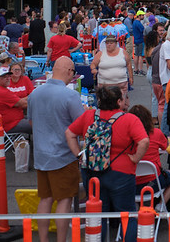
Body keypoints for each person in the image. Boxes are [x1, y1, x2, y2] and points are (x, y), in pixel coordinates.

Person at [65, 86, 149, 242]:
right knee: (127, 215)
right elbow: (144, 141)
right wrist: (136, 158)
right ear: (118, 101)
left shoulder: (89, 116)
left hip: (91, 170)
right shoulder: (129, 119)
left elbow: (69, 133)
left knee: (98, 215)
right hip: (121, 173)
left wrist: (79, 155)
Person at [28, 56, 85, 242]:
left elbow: (31, 121)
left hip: (41, 155)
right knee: (64, 200)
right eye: (73, 73)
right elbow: (81, 126)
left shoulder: (35, 94)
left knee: (45, 199)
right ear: (69, 72)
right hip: (63, 156)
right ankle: (61, 240)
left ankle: (43, 239)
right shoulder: (71, 95)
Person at [128, 104, 170, 208]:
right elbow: (166, 146)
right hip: (154, 183)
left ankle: (135, 205)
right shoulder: (156, 133)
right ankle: (161, 205)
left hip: (131, 184)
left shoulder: (127, 137)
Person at [0, 65, 32, 134]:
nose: (8, 78)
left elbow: (19, 101)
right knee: (39, 124)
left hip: (11, 121)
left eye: (9, 76)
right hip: (11, 125)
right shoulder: (2, 92)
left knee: (35, 119)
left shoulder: (0, 89)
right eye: (4, 77)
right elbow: (24, 104)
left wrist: (30, 97)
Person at [91, 34, 133, 104]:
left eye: (111, 43)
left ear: (116, 44)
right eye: (107, 43)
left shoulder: (122, 52)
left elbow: (129, 64)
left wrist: (131, 77)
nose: (109, 45)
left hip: (121, 84)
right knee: (105, 104)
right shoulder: (100, 53)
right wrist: (93, 69)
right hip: (104, 85)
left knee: (121, 104)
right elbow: (93, 64)